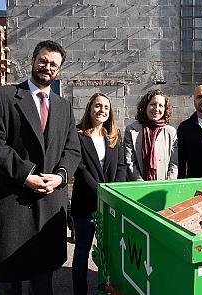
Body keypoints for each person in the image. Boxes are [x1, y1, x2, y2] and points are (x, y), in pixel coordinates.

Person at [0, 40, 81, 294]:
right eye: (43, 61)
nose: (47, 67)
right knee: (9, 282)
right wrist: (27, 175)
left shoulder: (63, 106)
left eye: (54, 65)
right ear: (33, 61)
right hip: (12, 201)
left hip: (48, 204)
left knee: (42, 281)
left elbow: (73, 150)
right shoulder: (2, 96)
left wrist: (60, 177)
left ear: (59, 70)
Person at [71, 93, 126, 294]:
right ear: (89, 108)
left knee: (110, 253)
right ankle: (80, 291)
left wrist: (114, 194)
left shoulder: (113, 136)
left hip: (110, 206)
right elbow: (81, 168)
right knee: (82, 251)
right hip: (85, 205)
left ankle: (107, 288)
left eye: (105, 107)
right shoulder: (78, 135)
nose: (101, 110)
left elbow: (121, 167)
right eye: (97, 106)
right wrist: (102, 194)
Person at [124, 89, 178, 181]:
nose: (156, 109)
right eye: (153, 104)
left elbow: (174, 164)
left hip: (163, 187)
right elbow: (129, 162)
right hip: (138, 187)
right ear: (145, 106)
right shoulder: (132, 130)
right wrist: (142, 185)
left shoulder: (171, 132)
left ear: (165, 109)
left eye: (161, 105)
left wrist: (168, 184)